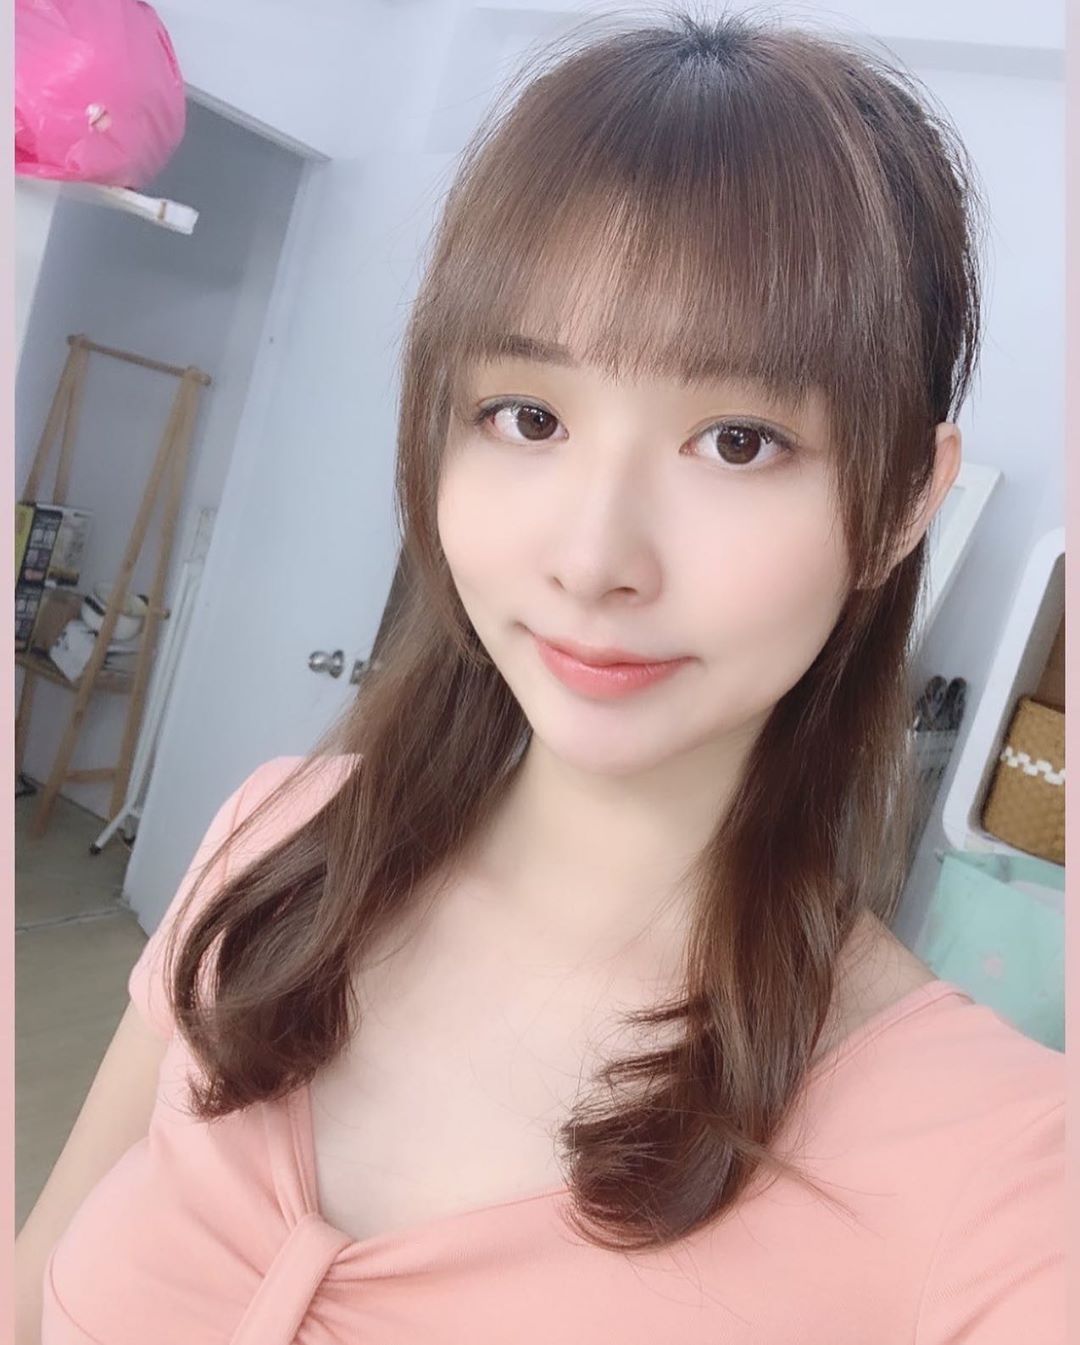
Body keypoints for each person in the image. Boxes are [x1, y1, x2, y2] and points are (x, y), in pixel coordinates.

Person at [17, 10, 1064, 1344]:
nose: (592, 558)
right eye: (528, 416)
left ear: (907, 497)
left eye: (739, 440)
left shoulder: (996, 1174)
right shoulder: (274, 836)